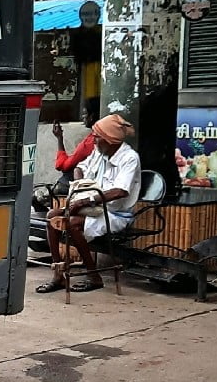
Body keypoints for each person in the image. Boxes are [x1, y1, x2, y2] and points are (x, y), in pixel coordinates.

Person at [38, 114, 141, 294]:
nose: (93, 140)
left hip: (113, 214)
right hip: (90, 207)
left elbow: (120, 191)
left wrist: (87, 199)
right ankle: (58, 275)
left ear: (110, 140)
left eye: (97, 136)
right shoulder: (99, 153)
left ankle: (93, 275)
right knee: (51, 217)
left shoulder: (129, 158)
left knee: (70, 223)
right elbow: (80, 167)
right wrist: (81, 186)